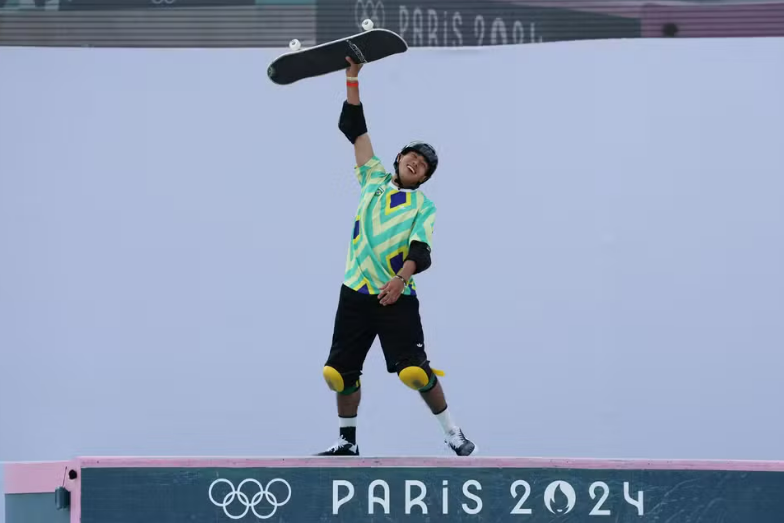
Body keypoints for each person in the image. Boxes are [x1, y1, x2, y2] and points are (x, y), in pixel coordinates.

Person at [316, 57, 476, 457]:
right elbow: (356, 130)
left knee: (412, 372)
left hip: (396, 296)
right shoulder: (372, 178)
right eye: (412, 156)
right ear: (400, 158)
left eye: (423, 166)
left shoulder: (424, 207)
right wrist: (352, 76)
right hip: (356, 290)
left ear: (422, 178)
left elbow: (421, 252)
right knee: (337, 374)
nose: (415, 162)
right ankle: (346, 442)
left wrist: (400, 279)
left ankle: (453, 432)